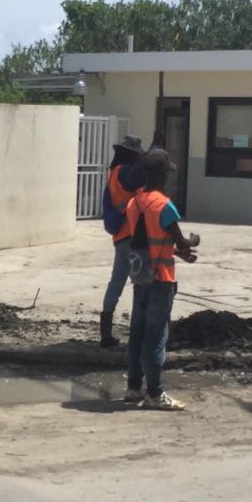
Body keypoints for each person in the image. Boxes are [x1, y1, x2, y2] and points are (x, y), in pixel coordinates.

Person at [123, 149, 199, 410]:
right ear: (163, 174)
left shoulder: (135, 203)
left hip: (140, 276)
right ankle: (155, 393)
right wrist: (192, 241)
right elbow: (181, 239)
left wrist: (176, 252)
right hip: (162, 279)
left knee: (137, 333)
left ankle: (134, 388)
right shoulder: (164, 205)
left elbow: (148, 242)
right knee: (156, 335)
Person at [98, 135, 146, 347]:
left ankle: (105, 334)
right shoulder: (126, 173)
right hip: (132, 236)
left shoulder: (114, 173)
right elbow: (145, 173)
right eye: (138, 155)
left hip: (120, 236)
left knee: (116, 283)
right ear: (132, 156)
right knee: (142, 284)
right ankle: (138, 332)